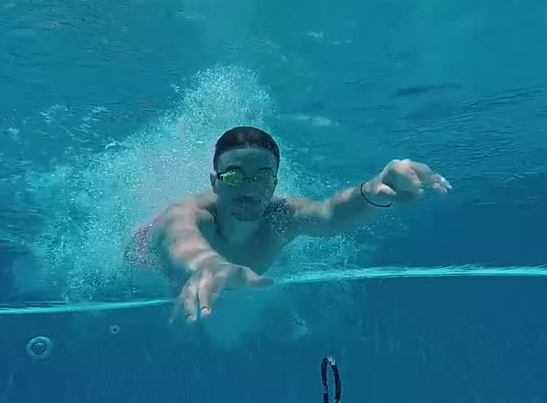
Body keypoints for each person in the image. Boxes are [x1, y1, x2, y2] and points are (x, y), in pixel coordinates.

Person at [125, 126, 451, 324]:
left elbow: (329, 214)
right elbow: (178, 238)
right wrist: (208, 265)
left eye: (262, 176)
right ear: (215, 182)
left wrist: (376, 188)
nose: (250, 187)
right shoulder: (193, 214)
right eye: (235, 175)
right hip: (141, 259)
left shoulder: (280, 218)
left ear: (274, 184)